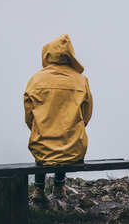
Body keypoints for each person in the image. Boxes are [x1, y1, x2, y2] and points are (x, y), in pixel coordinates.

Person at [24, 33, 93, 201]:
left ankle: (38, 190)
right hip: (73, 148)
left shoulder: (36, 79)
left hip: (41, 146)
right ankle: (60, 186)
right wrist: (73, 127)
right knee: (67, 138)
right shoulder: (81, 80)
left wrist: (39, 128)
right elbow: (86, 114)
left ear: (47, 54)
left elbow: (28, 115)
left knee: (42, 143)